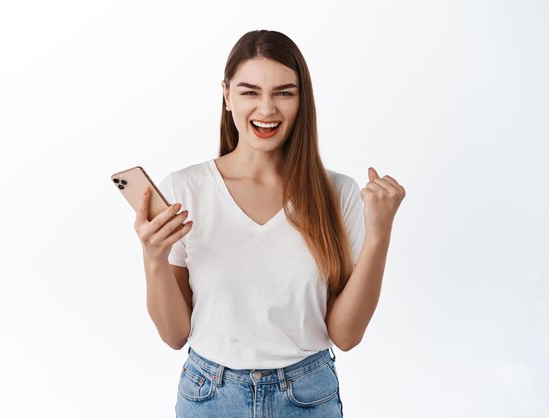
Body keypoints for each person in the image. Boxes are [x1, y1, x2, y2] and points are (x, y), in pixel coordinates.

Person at [134, 29, 405, 418]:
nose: (266, 109)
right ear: (227, 96)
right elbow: (174, 334)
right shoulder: (185, 189)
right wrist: (153, 258)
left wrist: (379, 234)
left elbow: (346, 336)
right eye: (249, 92)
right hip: (210, 396)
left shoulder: (337, 193)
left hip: (308, 395)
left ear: (302, 100)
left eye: (283, 92)